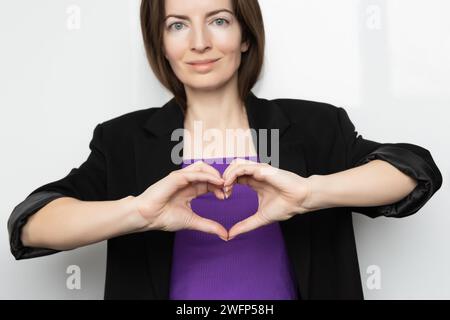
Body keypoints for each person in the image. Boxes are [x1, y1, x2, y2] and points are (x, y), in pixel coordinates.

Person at [7, 0, 443, 300]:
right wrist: (138, 213)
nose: (199, 42)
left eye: (218, 20)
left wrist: (310, 194)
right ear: (160, 43)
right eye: (177, 24)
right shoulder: (122, 140)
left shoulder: (313, 126)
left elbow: (412, 170)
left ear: (246, 35)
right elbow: (30, 225)